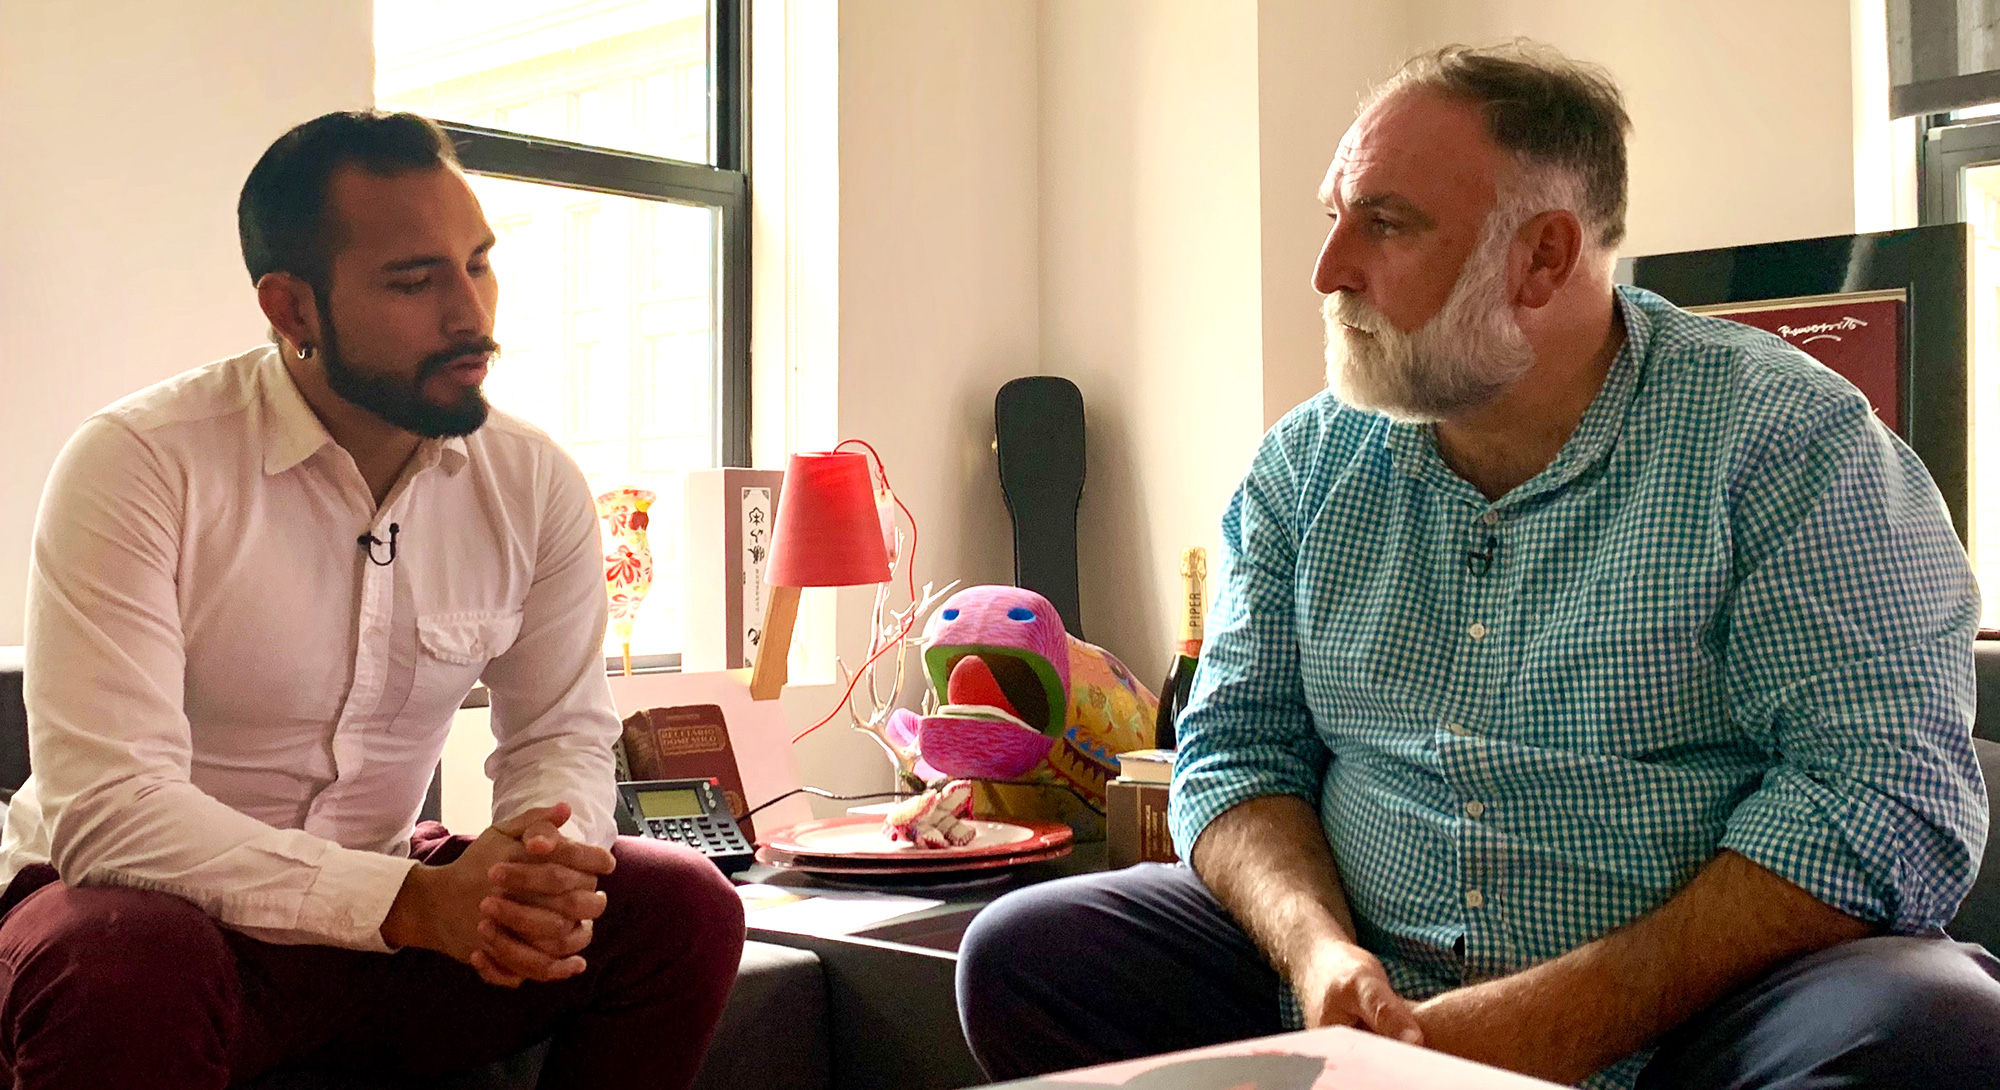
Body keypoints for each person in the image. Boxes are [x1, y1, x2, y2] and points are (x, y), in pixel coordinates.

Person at [957, 42, 2000, 1089]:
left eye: (1386, 222)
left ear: (1542, 259)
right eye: (1334, 215)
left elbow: (1879, 804)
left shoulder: (1789, 447)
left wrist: (1548, 1021)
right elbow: (1235, 752)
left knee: (1934, 1025)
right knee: (1027, 953)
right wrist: (1319, 954)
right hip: (1363, 987)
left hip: (1692, 1028)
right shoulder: (1306, 466)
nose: (1327, 270)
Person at [0, 111, 744, 1089]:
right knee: (129, 962)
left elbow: (559, 730)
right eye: (413, 280)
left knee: (681, 905)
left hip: (387, 916)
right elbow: (112, 817)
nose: (469, 312)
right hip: (143, 913)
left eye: (477, 264)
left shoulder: (532, 480)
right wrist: (403, 903)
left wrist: (538, 872)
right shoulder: (138, 465)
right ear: (292, 309)